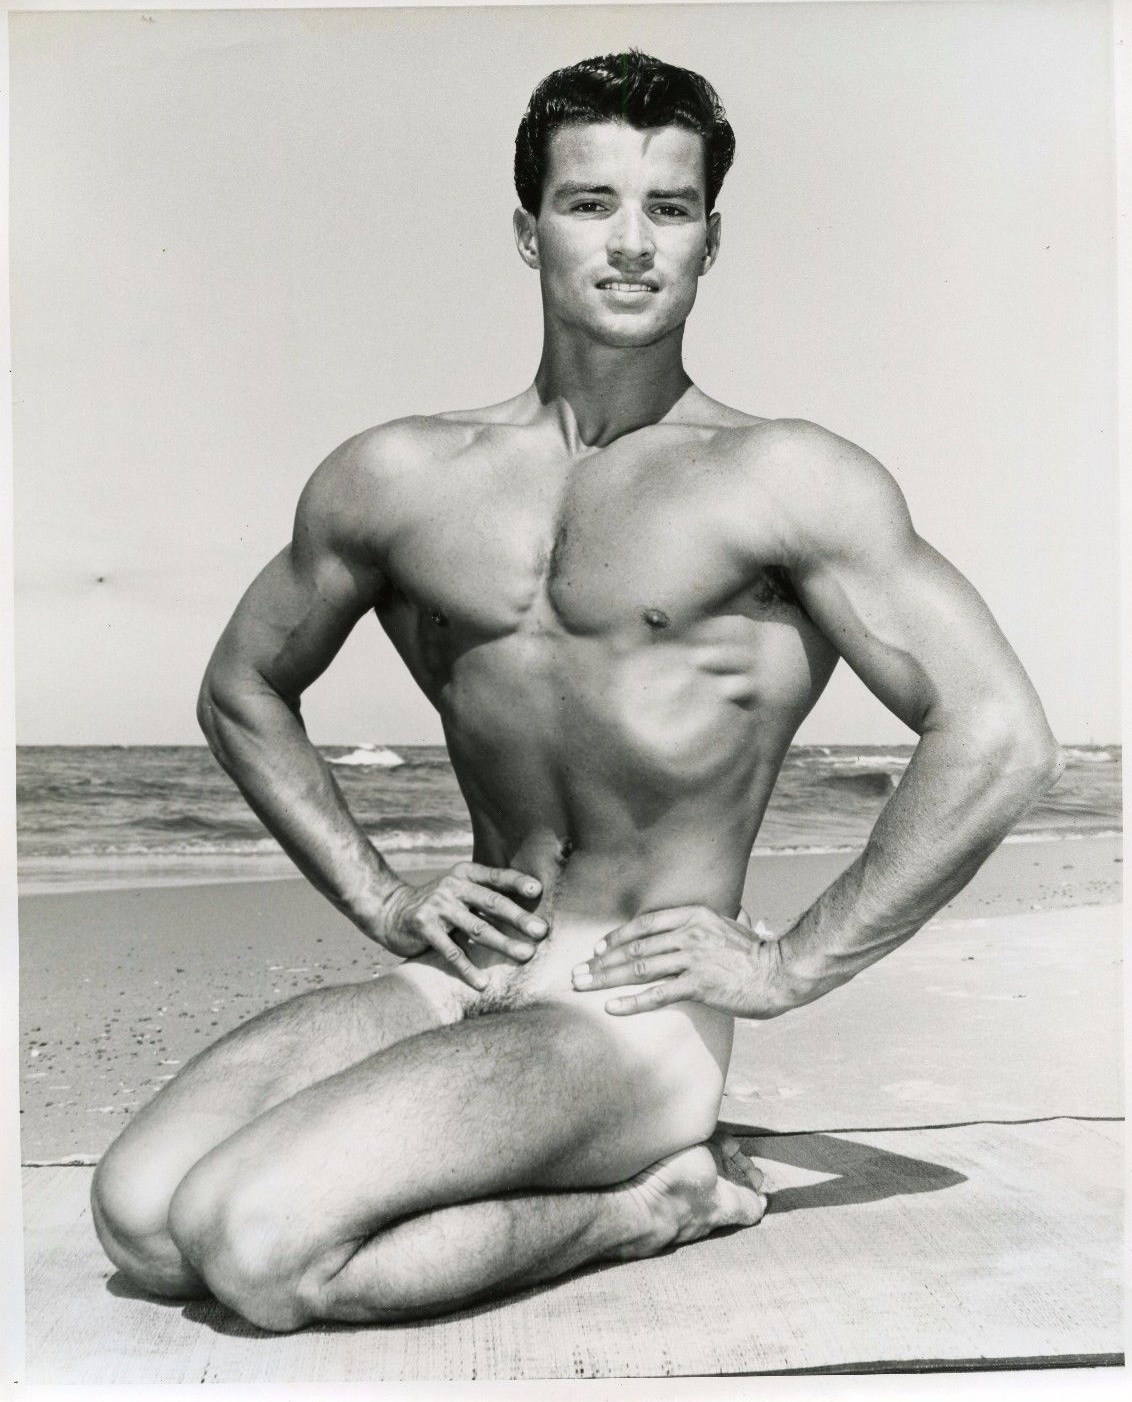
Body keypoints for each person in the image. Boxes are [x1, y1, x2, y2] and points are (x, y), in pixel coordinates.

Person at [90, 51, 1062, 1333]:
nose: (631, 243)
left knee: (259, 1247)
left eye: (670, 208)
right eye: (590, 202)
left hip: (633, 1013)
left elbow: (996, 736)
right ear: (528, 228)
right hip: (469, 977)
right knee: (144, 1220)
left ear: (710, 240)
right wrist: (383, 897)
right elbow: (241, 690)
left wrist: (786, 966)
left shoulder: (784, 479)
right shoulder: (399, 477)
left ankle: (650, 1202)